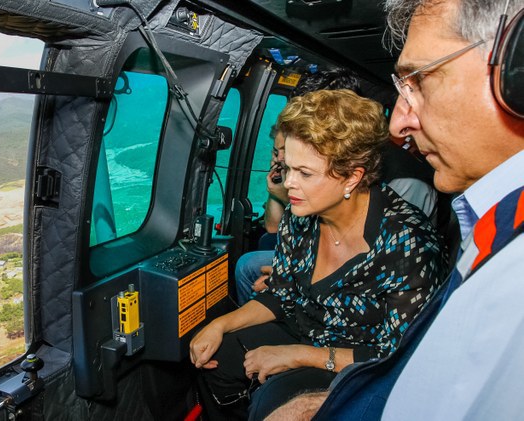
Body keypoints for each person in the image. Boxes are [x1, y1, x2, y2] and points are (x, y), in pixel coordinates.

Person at [265, 0, 524, 419]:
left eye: (418, 82)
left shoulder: (417, 244)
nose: (398, 124)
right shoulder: (492, 229)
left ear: (517, 73)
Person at [190, 89, 445, 420]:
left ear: (352, 176)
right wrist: (220, 325)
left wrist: (297, 355)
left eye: (305, 173)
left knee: (273, 406)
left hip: (356, 359)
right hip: (303, 328)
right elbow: (281, 295)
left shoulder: (409, 244)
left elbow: (396, 356)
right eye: (288, 167)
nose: (289, 184)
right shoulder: (301, 218)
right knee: (216, 359)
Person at [234, 68, 439, 306]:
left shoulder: (407, 187)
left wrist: (294, 284)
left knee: (249, 266)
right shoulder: (305, 169)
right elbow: (282, 232)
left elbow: (382, 271)